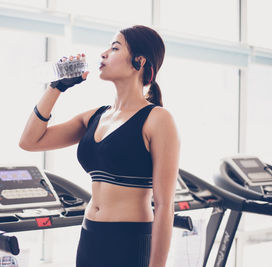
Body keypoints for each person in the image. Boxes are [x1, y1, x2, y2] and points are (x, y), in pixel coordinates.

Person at [19, 25, 180, 267]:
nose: (103, 54)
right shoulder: (96, 116)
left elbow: (165, 206)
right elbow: (30, 141)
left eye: (115, 48)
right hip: (90, 237)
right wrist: (56, 88)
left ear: (139, 60)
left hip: (129, 241)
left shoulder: (158, 119)